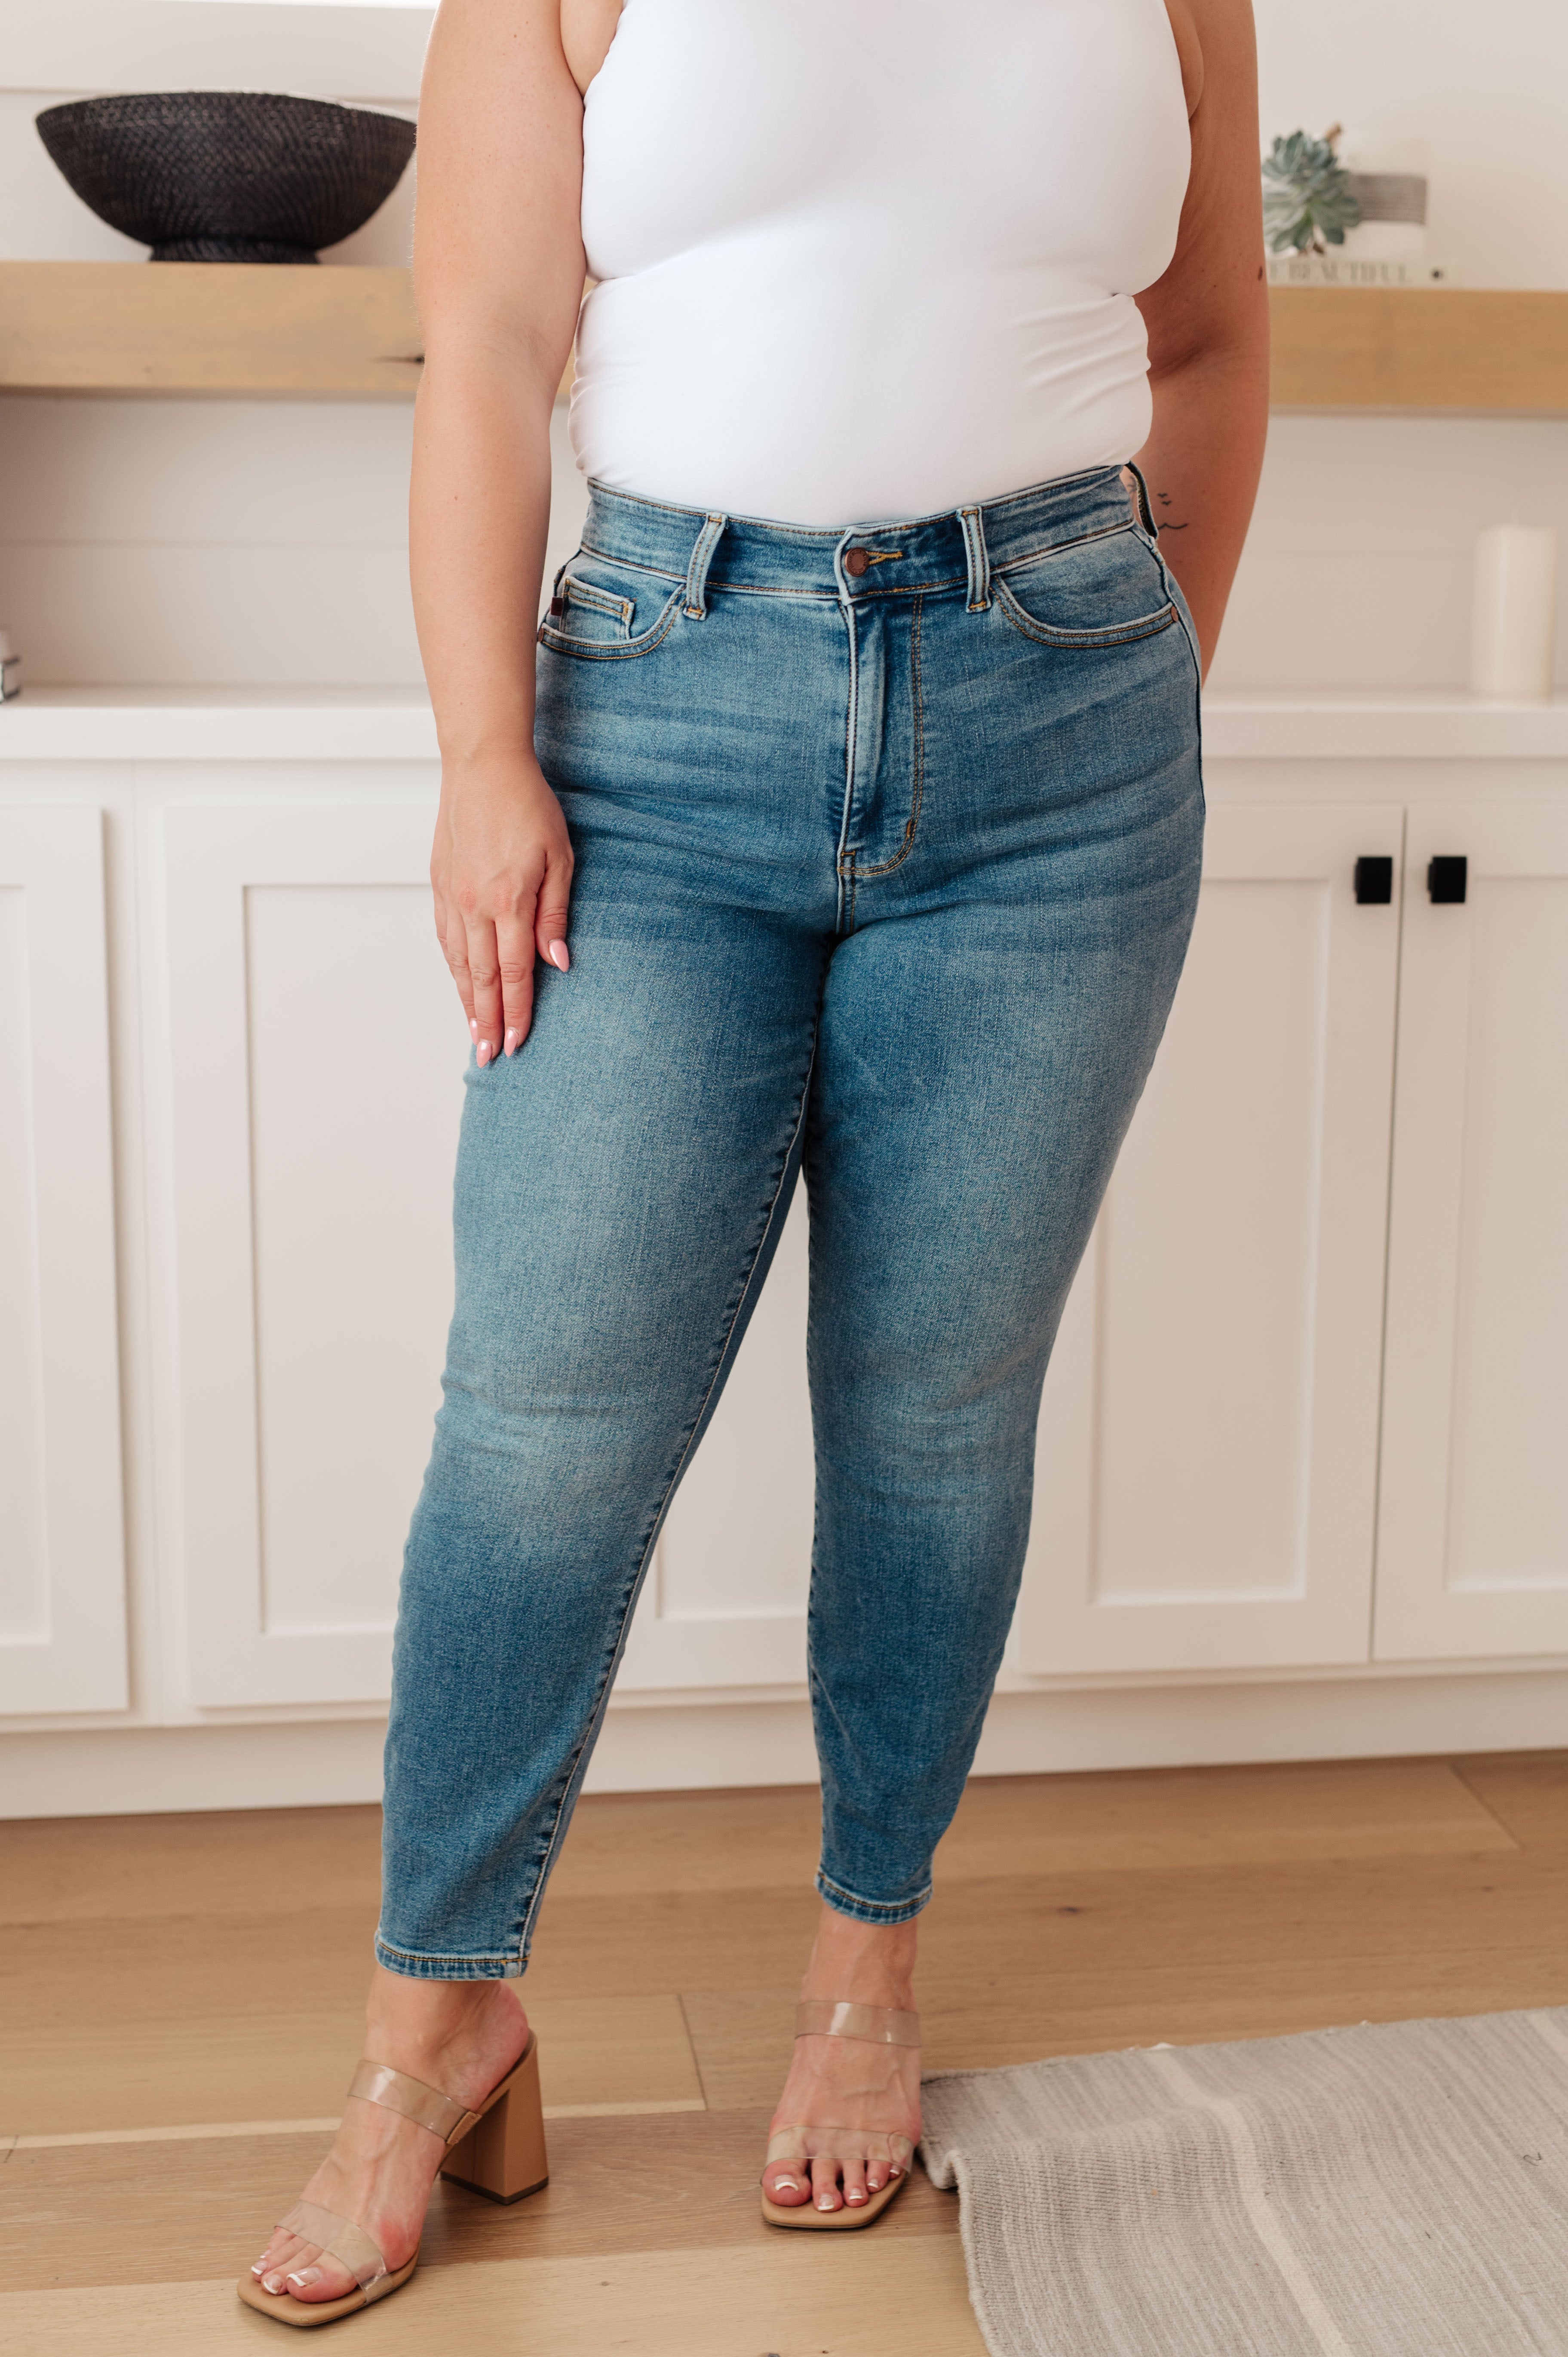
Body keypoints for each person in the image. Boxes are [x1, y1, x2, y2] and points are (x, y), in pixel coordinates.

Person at [240, 0, 1268, 2322]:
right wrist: (483, 756)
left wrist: (1142, 687)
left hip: (1068, 728)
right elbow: (491, 352)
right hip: (659, 719)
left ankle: (863, 1969)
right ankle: (434, 2028)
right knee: (544, 1421)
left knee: (937, 1411)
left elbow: (1210, 341)